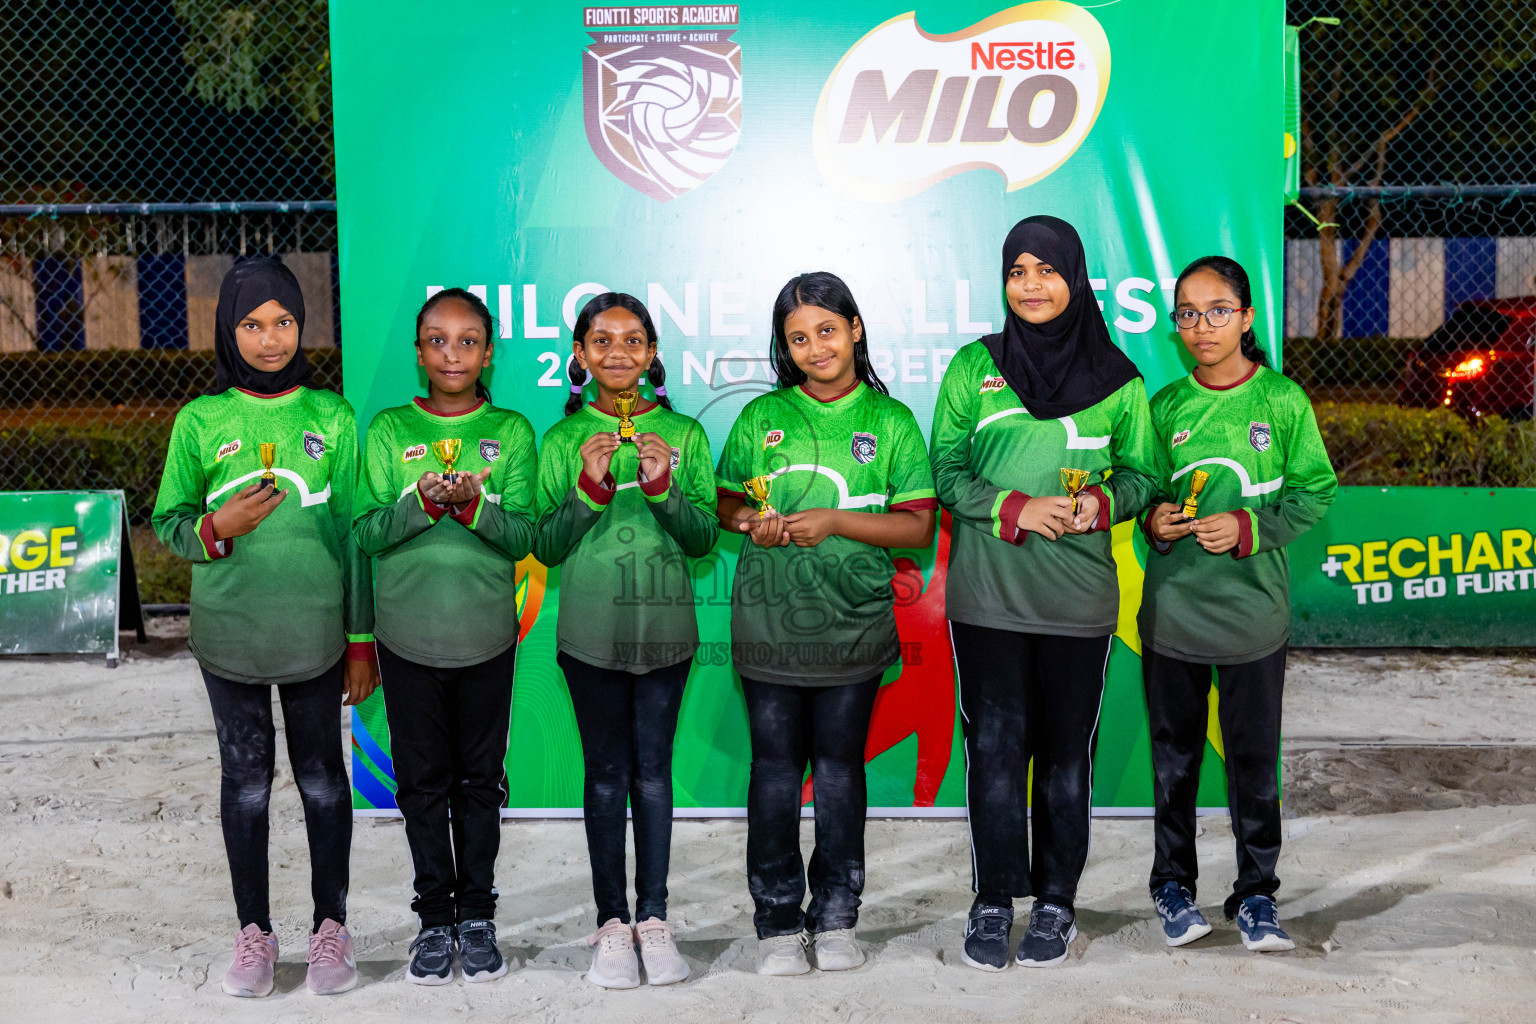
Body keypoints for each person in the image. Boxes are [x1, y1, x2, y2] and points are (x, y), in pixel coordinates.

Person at [929, 215, 1159, 971]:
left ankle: (1057, 902)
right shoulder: (974, 368)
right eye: (1018, 271)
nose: (1032, 285)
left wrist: (1100, 505)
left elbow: (1143, 476)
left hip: (1076, 604)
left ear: (1076, 277)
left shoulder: (1120, 383)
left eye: (1047, 270)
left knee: (1067, 758)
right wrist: (1014, 509)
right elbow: (945, 472)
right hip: (988, 600)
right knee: (993, 754)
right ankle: (994, 900)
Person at [151, 256, 377, 998]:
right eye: (252, 324)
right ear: (229, 329)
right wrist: (218, 525)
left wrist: (358, 639)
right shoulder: (202, 420)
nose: (270, 338)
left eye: (283, 322)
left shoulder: (330, 415)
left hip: (314, 636)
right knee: (246, 783)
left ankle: (329, 928)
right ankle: (254, 932)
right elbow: (170, 522)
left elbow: (354, 537)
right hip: (231, 638)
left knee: (320, 780)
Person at [715, 272, 937, 977]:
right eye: (799, 337)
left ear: (856, 329)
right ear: (784, 348)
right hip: (770, 629)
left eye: (827, 331)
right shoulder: (760, 419)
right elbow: (726, 503)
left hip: (855, 630)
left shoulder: (891, 421)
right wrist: (752, 521)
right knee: (775, 773)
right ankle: (778, 922)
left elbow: (918, 525)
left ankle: (837, 915)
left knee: (840, 772)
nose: (816, 347)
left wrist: (838, 521)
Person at [1138, 255, 1336, 952]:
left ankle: (1256, 896)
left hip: (1254, 621)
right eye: (1187, 314)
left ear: (1247, 317)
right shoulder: (1163, 409)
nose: (1201, 326)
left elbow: (1315, 492)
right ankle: (1172, 889)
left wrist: (1252, 527)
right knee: (1174, 763)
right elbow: (1144, 496)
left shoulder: (1282, 403)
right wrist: (1155, 523)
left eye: (1217, 310)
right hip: (1174, 619)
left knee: (1253, 763)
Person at [353, 287, 537, 985]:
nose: (452, 353)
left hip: (487, 638)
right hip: (406, 640)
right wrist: (424, 503)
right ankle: (434, 919)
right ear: (418, 352)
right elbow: (367, 532)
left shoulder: (513, 431)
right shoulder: (389, 431)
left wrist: (473, 507)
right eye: (438, 339)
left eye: (468, 341)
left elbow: (526, 535)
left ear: (489, 352)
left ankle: (479, 914)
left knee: (479, 783)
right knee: (423, 783)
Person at [534, 292, 716, 989]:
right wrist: (589, 485)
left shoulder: (685, 435)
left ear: (653, 354)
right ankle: (612, 924)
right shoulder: (560, 441)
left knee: (653, 774)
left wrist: (664, 485)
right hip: (589, 638)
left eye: (634, 340)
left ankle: (655, 919)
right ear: (579, 355)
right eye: (602, 340)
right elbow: (546, 547)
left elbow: (703, 538)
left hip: (666, 636)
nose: (619, 352)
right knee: (606, 776)